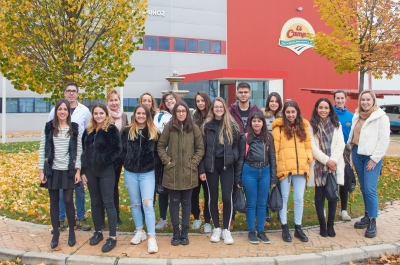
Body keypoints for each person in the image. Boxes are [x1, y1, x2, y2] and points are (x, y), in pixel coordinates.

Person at [157, 102, 204, 246]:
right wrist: (167, 161)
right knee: (174, 202)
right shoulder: (169, 128)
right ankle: (175, 232)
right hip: (173, 172)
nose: (181, 113)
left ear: (187, 113)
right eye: (179, 111)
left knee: (187, 202)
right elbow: (160, 146)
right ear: (175, 113)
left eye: (184, 111)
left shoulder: (194, 129)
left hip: (189, 172)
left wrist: (193, 162)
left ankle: (185, 232)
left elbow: (200, 148)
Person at [48, 82, 91, 232]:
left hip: (78, 156)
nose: (71, 93)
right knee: (60, 190)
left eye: (74, 91)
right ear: (64, 93)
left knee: (79, 188)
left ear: (78, 94)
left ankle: (81, 217)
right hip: (59, 160)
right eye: (68, 91)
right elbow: (48, 134)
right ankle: (60, 219)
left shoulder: (84, 111)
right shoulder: (55, 110)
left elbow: (88, 133)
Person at [39, 99, 82, 249]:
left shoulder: (74, 128)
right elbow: (42, 149)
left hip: (68, 170)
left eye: (65, 109)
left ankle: (71, 232)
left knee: (69, 200)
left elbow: (78, 150)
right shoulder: (49, 127)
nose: (62, 112)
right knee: (54, 201)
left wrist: (78, 170)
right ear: (56, 111)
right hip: (52, 170)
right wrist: (41, 171)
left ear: (68, 112)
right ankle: (56, 233)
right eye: (60, 109)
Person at [348, 90, 390, 238]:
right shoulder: (357, 115)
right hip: (358, 154)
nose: (365, 102)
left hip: (372, 157)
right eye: (362, 100)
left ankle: (373, 221)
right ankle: (366, 215)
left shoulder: (381, 117)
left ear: (373, 101)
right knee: (364, 188)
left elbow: (384, 140)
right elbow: (353, 136)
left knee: (370, 189)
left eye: (368, 100)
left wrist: (375, 159)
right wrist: (351, 154)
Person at [81, 103, 122, 252]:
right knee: (95, 202)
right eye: (96, 113)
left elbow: (118, 149)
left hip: (106, 171)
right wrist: (83, 171)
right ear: (93, 115)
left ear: (106, 114)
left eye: (101, 113)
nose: (98, 116)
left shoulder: (111, 129)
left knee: (108, 202)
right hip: (91, 172)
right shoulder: (88, 130)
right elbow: (84, 151)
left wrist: (104, 159)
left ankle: (112, 237)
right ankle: (98, 232)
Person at [199, 97, 240, 245]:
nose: (218, 109)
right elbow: (201, 150)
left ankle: (226, 230)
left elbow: (237, 145)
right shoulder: (206, 126)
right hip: (211, 166)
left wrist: (233, 157)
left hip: (226, 166)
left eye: (221, 107)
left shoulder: (231, 125)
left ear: (224, 108)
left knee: (227, 198)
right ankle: (216, 227)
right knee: (213, 198)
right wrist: (202, 169)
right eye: (216, 107)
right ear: (212, 109)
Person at [271, 101, 313, 243]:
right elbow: (275, 150)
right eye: (288, 112)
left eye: (293, 112)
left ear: (297, 113)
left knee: (299, 198)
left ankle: (298, 227)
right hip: (285, 168)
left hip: (300, 168)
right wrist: (276, 167)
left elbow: (308, 146)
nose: (290, 115)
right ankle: (284, 226)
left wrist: (308, 156)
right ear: (284, 113)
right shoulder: (279, 129)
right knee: (284, 197)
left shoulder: (303, 127)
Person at [121, 104, 159, 254]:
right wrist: (126, 161)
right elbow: (122, 150)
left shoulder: (154, 132)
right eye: (139, 113)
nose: (141, 116)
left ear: (148, 115)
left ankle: (151, 236)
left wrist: (152, 163)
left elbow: (158, 152)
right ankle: (139, 231)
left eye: (144, 113)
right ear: (135, 114)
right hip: (130, 172)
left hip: (147, 173)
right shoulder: (126, 131)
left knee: (147, 204)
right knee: (135, 204)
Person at [236, 112, 277, 244]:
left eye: (259, 121)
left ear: (263, 123)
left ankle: (261, 231)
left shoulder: (268, 138)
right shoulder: (245, 138)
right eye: (254, 120)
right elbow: (241, 158)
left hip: (264, 171)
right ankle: (251, 231)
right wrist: (238, 177)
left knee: (262, 203)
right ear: (250, 123)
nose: (257, 123)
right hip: (250, 171)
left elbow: (272, 158)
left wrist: (273, 177)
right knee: (251, 203)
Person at [309, 98, 345, 237]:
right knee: (319, 196)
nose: (323, 110)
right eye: (320, 107)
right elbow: (313, 147)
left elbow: (340, 144)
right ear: (316, 109)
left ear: (330, 109)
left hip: (333, 167)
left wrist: (333, 161)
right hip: (319, 167)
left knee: (332, 195)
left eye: (326, 108)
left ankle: (331, 225)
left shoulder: (337, 125)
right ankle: (322, 226)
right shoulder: (311, 125)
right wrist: (327, 161)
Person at [228, 82, 262, 230]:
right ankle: (231, 217)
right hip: (234, 151)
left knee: (254, 187)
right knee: (232, 187)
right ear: (237, 94)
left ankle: (257, 217)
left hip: (252, 153)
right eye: (240, 92)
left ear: (250, 94)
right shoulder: (230, 111)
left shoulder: (256, 110)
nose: (243, 94)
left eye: (245, 92)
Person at [153, 92, 182, 230]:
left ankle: (177, 218)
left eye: (172, 98)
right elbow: (155, 135)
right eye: (167, 99)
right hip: (164, 158)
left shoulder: (183, 114)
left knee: (178, 189)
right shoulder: (159, 116)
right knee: (163, 190)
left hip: (180, 158)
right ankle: (163, 218)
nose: (169, 101)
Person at [104, 89, 129, 226]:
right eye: (111, 100)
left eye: (116, 100)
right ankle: (102, 215)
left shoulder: (124, 116)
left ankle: (116, 215)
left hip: (118, 158)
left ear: (119, 101)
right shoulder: (103, 114)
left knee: (114, 186)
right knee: (104, 186)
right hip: (105, 158)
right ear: (107, 102)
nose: (114, 102)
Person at [191, 92, 212, 232]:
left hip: (209, 158)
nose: (200, 103)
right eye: (198, 101)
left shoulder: (212, 116)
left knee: (209, 192)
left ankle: (208, 220)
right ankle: (197, 218)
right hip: (195, 157)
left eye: (202, 100)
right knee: (194, 191)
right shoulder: (193, 117)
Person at [333, 90, 354, 221]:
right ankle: (328, 208)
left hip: (345, 154)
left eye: (342, 98)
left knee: (344, 183)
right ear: (334, 99)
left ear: (345, 99)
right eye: (337, 98)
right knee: (330, 182)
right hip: (332, 153)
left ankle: (343, 210)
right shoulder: (330, 114)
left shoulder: (351, 116)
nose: (340, 100)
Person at [262, 92, 283, 223]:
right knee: (265, 185)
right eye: (271, 101)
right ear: (268, 103)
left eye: (276, 101)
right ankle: (265, 211)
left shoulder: (283, 117)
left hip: (280, 155)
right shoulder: (263, 116)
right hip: (266, 154)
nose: (273, 103)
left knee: (279, 185)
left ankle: (279, 209)